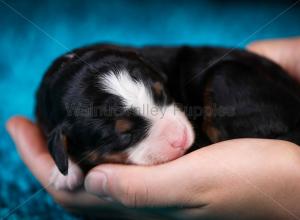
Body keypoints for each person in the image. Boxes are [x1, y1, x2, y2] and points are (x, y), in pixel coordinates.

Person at [6, 38, 300, 220]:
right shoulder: (62, 125)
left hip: (250, 86)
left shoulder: (131, 64)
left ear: (153, 73)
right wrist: (70, 163)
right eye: (128, 134)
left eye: (162, 97)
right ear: (63, 144)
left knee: (227, 80)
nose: (178, 135)